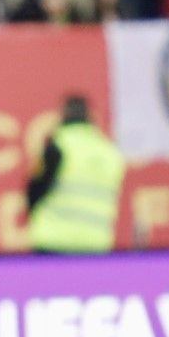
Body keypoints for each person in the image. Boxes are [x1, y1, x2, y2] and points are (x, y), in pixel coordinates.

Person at [24, 94, 127, 254]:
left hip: (54, 241)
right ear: (90, 117)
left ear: (63, 115)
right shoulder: (110, 153)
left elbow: (34, 190)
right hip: (96, 242)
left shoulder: (58, 147)